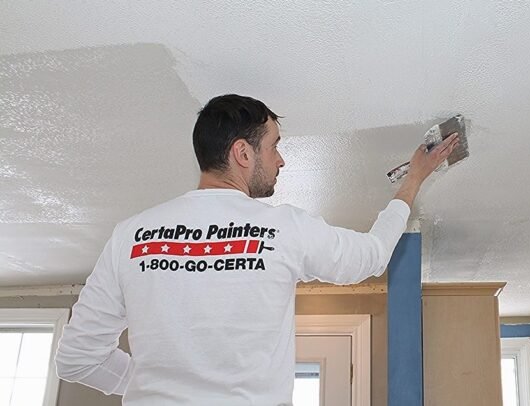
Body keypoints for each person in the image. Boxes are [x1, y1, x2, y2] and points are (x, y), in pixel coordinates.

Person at [55, 94, 459, 405]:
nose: (280, 160)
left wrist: (150, 388)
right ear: (243, 153)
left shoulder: (131, 235)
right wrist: (412, 183)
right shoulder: (282, 228)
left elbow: (76, 358)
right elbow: (370, 256)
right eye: (274, 146)